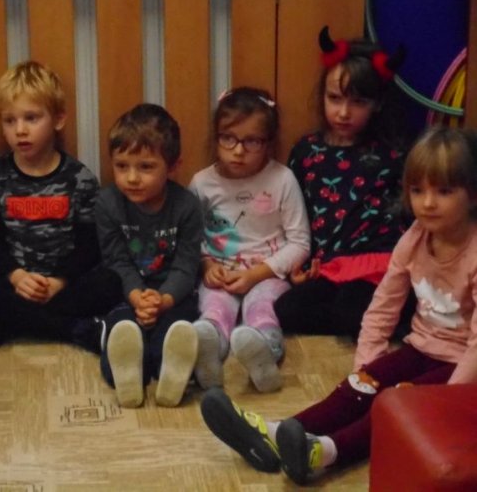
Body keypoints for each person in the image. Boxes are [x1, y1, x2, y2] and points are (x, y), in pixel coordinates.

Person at [201, 126, 477, 485]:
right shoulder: (413, 239)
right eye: (417, 190)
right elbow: (383, 306)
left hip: (463, 365)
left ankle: (325, 453)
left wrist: (446, 401)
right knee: (357, 388)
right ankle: (278, 432)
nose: (427, 203)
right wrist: (366, 370)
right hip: (421, 347)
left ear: (472, 194)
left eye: (444, 191)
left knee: (396, 407)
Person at [0, 60, 120, 352]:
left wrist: (58, 281)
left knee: (110, 283)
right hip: (14, 283)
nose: (20, 130)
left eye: (31, 118)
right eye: (9, 121)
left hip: (63, 284)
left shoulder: (81, 179)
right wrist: (17, 276)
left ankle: (7, 324)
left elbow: (89, 247)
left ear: (58, 119)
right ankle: (78, 330)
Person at [274, 26, 415, 341]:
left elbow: (411, 219)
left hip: (376, 265)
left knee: (353, 308)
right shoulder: (306, 150)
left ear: (377, 103)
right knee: (285, 310)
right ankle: (384, 321)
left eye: (358, 102)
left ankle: (390, 318)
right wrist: (298, 262)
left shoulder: (393, 154)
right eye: (334, 98)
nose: (343, 112)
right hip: (327, 267)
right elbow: (295, 215)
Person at [189, 87, 309, 392]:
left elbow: (300, 243)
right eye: (228, 138)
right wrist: (207, 265)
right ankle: (208, 351)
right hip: (220, 273)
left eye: (252, 141)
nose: (238, 151)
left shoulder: (282, 179)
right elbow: (191, 238)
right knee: (214, 309)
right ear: (216, 137)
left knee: (261, 308)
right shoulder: (202, 183)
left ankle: (265, 352)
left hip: (266, 274)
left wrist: (256, 274)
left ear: (268, 142)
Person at [97, 104, 202, 408]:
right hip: (126, 294)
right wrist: (137, 298)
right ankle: (128, 375)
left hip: (173, 297)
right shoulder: (107, 203)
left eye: (145, 167)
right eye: (121, 166)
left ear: (173, 167)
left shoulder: (186, 206)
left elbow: (186, 264)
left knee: (176, 334)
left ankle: (169, 372)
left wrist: (163, 300)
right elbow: (116, 261)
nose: (131, 178)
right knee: (122, 331)